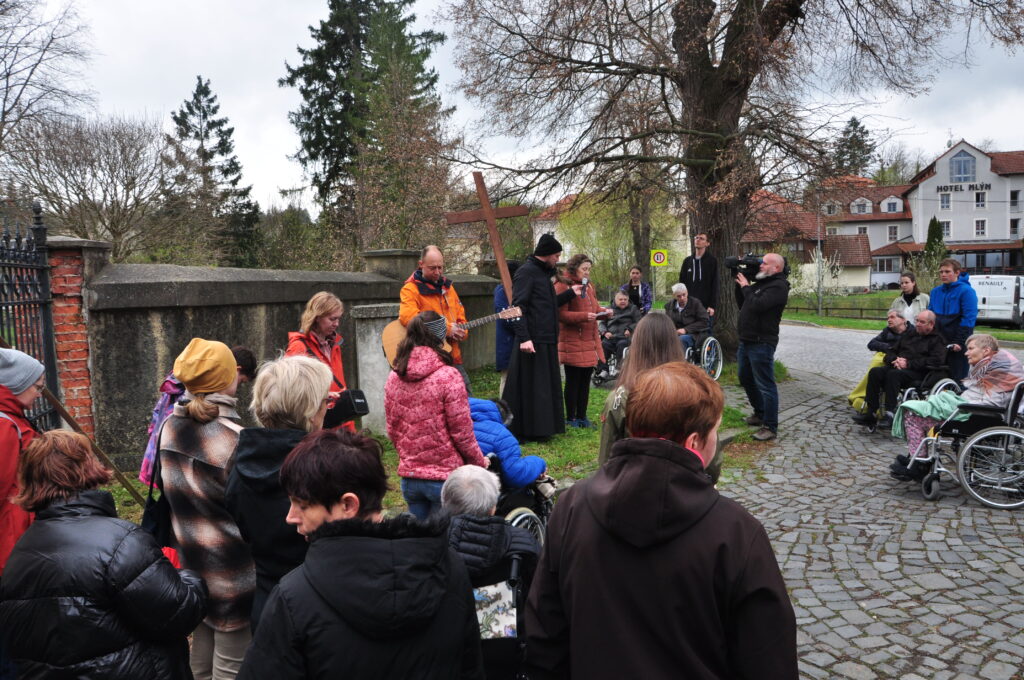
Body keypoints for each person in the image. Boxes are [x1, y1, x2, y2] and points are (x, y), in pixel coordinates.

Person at [524, 362, 797, 680]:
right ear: (694, 442)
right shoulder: (736, 533)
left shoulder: (572, 506)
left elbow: (544, 635)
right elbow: (768, 658)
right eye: (715, 430)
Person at [237, 429, 485, 680]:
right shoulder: (451, 568)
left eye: (302, 505)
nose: (290, 517)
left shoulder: (293, 598)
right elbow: (470, 668)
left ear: (348, 505)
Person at [0, 430, 208, 679]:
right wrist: (187, 578)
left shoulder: (18, 556)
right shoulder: (121, 541)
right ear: (88, 467)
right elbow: (179, 613)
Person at [158, 338, 255, 680]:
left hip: (192, 565)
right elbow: (251, 514)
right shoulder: (236, 439)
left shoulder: (168, 427)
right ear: (228, 377)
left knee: (200, 661)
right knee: (231, 667)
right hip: (233, 573)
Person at [225, 355, 333, 631]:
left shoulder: (240, 460)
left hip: (268, 602)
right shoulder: (327, 467)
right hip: (321, 607)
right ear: (311, 411)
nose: (327, 408)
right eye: (325, 401)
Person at [385, 311, 489, 520]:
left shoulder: (395, 376)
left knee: (418, 538)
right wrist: (479, 463)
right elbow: (462, 433)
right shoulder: (449, 376)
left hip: (410, 478)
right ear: (441, 337)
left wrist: (408, 457)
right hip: (445, 478)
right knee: (445, 538)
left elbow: (392, 428)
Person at [444, 465, 541, 678]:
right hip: (507, 656)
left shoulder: (427, 547)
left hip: (450, 657)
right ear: (493, 506)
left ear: (444, 503)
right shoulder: (523, 544)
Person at [890, 334, 1024, 480]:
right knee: (921, 405)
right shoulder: (996, 366)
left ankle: (920, 464)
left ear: (986, 350)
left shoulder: (996, 372)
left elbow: (991, 404)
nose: (966, 353)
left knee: (912, 414)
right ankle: (917, 456)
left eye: (971, 349)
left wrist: (957, 404)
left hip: (974, 417)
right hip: (975, 412)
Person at [501, 234, 581, 441]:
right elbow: (517, 308)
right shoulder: (526, 273)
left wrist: (571, 293)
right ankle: (526, 430)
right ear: (546, 254)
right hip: (533, 340)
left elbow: (547, 304)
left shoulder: (542, 274)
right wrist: (524, 338)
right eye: (556, 256)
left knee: (542, 388)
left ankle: (542, 429)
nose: (557, 259)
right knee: (531, 389)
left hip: (545, 339)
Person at [140, 346, 257, 485]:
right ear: (233, 371)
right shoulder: (235, 436)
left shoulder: (171, 413)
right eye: (241, 381)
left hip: (169, 478)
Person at [598, 313, 692, 466]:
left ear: (637, 346)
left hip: (635, 476)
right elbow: (710, 458)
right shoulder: (694, 392)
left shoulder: (620, 397)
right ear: (674, 344)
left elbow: (607, 457)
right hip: (683, 477)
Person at [852, 311, 947, 429]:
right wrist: (895, 360)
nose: (918, 324)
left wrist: (908, 364)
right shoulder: (909, 335)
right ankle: (871, 412)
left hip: (920, 372)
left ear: (931, 324)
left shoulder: (937, 340)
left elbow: (936, 361)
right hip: (899, 367)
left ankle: (889, 414)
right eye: (917, 321)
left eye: (922, 322)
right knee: (875, 372)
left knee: (893, 374)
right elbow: (891, 351)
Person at [399, 245, 471, 390]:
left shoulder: (449, 288)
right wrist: (447, 329)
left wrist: (462, 332)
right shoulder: (410, 289)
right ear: (421, 264)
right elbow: (409, 318)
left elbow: (461, 318)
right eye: (432, 268)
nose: (437, 272)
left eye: (440, 267)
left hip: (452, 356)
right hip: (426, 359)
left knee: (465, 395)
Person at [736, 252, 791, 441]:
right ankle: (759, 413)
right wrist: (740, 282)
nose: (760, 265)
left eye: (765, 263)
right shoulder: (761, 283)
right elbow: (743, 302)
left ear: (776, 268)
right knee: (745, 378)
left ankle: (770, 426)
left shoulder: (779, 287)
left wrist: (746, 287)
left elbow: (757, 305)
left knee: (766, 385)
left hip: (762, 342)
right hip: (747, 340)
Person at [0, 348, 44, 576]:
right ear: (18, 384)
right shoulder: (4, 425)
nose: (39, 394)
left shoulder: (13, 417)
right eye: (37, 387)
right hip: (8, 536)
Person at [286, 291, 356, 432]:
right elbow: (290, 389)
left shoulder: (334, 344)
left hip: (341, 421)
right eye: (332, 319)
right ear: (317, 317)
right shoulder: (299, 347)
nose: (336, 324)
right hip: (317, 423)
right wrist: (322, 396)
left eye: (338, 319)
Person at [554, 254, 606, 428]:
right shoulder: (563, 285)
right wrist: (584, 316)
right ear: (574, 268)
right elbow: (560, 314)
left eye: (589, 269)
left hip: (589, 341)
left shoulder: (588, 285)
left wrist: (604, 312)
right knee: (573, 380)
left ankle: (582, 416)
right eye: (584, 269)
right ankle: (571, 418)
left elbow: (594, 308)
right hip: (572, 341)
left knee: (585, 380)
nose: (587, 272)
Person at [469, 398, 547, 490]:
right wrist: (539, 463)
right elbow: (515, 476)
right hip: (478, 490)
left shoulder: (457, 411)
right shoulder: (501, 435)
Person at [848, 310, 910, 414]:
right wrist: (889, 347)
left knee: (887, 372)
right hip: (889, 357)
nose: (889, 320)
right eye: (888, 318)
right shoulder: (887, 331)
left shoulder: (912, 332)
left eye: (892, 317)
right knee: (875, 368)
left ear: (903, 320)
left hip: (903, 361)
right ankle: (869, 405)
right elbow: (871, 344)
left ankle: (886, 410)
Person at [929, 258, 978, 381]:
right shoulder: (935, 292)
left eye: (947, 271)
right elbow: (930, 316)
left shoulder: (967, 291)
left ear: (957, 273)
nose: (943, 274)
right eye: (941, 272)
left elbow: (968, 319)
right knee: (936, 375)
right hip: (938, 339)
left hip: (957, 338)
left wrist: (959, 341)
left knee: (957, 377)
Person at [596, 290, 640, 379]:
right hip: (610, 337)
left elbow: (639, 321)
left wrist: (630, 329)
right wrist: (605, 332)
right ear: (615, 300)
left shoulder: (633, 309)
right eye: (620, 299)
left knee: (622, 345)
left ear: (628, 300)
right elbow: (602, 324)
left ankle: (618, 369)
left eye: (625, 299)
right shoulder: (608, 309)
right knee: (603, 345)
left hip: (624, 337)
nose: (623, 301)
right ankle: (603, 370)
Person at [494, 260, 521, 394]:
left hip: (516, 340)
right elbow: (505, 317)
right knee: (507, 378)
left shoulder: (516, 290)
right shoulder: (501, 291)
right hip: (507, 341)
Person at [679, 231, 719, 317]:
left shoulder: (712, 261)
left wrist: (712, 306)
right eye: (696, 238)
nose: (698, 240)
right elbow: (682, 284)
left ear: (707, 243)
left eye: (701, 238)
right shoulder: (687, 261)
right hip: (688, 305)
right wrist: (681, 302)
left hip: (705, 307)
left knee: (705, 326)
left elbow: (715, 284)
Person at [664, 282, 710, 355]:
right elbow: (667, 322)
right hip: (675, 333)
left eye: (684, 295)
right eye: (679, 296)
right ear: (674, 296)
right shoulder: (669, 306)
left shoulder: (695, 303)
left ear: (687, 293)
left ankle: (679, 360)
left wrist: (686, 330)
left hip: (694, 334)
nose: (682, 298)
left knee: (681, 340)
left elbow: (704, 321)